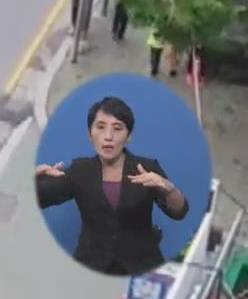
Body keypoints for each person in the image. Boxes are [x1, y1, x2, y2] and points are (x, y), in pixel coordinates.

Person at [34, 96, 189, 276]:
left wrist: (169, 189)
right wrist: (34, 178)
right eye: (100, 127)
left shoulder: (147, 168)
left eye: (117, 129)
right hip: (92, 265)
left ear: (128, 136)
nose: (108, 137)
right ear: (90, 134)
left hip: (142, 264)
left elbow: (179, 211)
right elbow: (38, 198)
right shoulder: (80, 170)